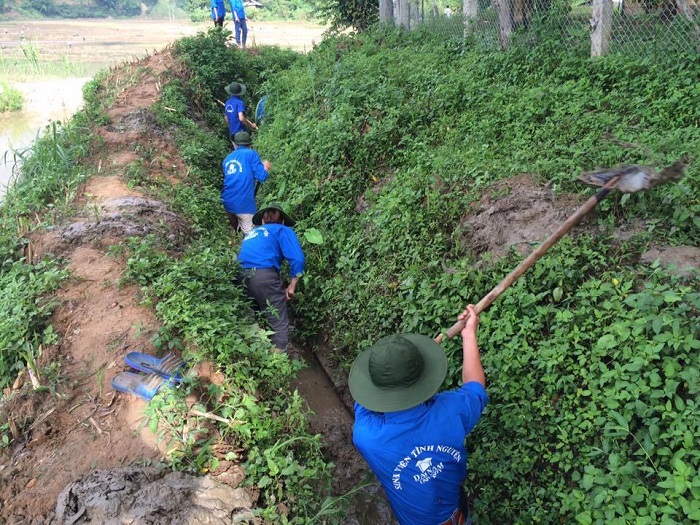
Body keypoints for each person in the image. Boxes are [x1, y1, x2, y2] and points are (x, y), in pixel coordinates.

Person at [349, 305, 487, 525]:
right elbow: (476, 387)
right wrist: (468, 334)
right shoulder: (452, 411)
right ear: (424, 379)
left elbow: (364, 401)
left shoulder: (366, 437)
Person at [236, 203, 305, 353]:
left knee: (257, 316)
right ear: (281, 221)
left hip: (239, 276)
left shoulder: (252, 234)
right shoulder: (282, 229)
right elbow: (298, 259)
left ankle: (256, 356)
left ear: (262, 221)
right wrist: (292, 285)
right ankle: (275, 364)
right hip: (263, 276)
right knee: (279, 324)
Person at [221, 131, 271, 235]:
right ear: (250, 144)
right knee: (250, 237)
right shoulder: (251, 154)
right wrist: (265, 167)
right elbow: (262, 177)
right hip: (244, 205)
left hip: (226, 202)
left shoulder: (227, 159)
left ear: (235, 144)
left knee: (232, 235)